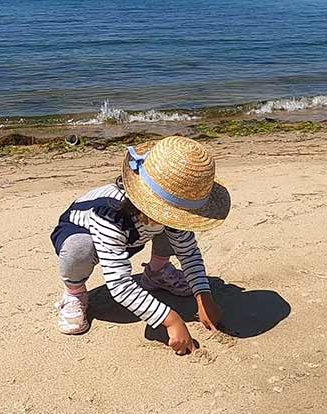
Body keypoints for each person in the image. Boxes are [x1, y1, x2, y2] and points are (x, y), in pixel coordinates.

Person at [50, 136, 231, 355]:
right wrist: (170, 320)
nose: (180, 218)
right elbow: (120, 284)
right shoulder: (108, 214)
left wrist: (203, 295)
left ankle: (157, 272)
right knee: (79, 248)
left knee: (173, 230)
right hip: (84, 233)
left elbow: (188, 252)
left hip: (135, 234)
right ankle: (74, 292)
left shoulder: (173, 209)